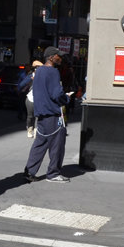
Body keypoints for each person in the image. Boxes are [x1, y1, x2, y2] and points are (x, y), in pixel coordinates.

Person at [24, 47, 73, 183]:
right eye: (58, 56)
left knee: (40, 143)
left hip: (42, 113)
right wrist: (66, 98)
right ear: (51, 58)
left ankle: (29, 172)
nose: (60, 58)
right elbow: (56, 94)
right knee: (57, 145)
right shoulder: (53, 72)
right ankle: (53, 173)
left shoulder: (39, 71)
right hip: (53, 113)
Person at [24, 59, 43, 138]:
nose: (38, 70)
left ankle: (36, 131)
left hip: (39, 99)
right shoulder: (30, 76)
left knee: (37, 116)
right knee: (30, 116)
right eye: (37, 68)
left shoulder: (42, 77)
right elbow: (23, 83)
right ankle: (29, 129)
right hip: (30, 99)